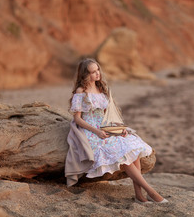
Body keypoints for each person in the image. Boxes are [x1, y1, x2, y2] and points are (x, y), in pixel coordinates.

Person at [65, 58, 168, 204]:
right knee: (121, 155)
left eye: (98, 70)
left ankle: (139, 195)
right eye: (93, 72)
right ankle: (151, 192)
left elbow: (108, 116)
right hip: (91, 131)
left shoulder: (101, 89)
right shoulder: (81, 91)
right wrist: (97, 132)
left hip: (105, 127)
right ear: (85, 74)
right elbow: (77, 119)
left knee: (133, 149)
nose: (97, 74)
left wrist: (120, 129)